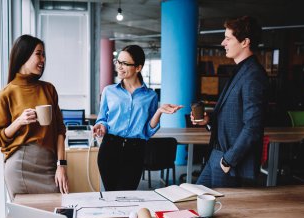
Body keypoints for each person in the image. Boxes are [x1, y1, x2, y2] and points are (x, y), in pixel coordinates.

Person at [191, 16, 268, 187]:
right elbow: (232, 115)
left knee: (221, 212)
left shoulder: (253, 75)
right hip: (217, 154)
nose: (223, 43)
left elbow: (253, 127)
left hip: (229, 162)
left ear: (244, 42)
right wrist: (208, 121)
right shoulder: (241, 70)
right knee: (196, 201)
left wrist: (228, 160)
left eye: (228, 38)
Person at [93, 45, 182, 191]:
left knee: (127, 195)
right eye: (118, 61)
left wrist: (159, 111)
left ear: (138, 68)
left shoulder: (150, 96)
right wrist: (101, 126)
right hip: (109, 148)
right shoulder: (109, 91)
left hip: (135, 151)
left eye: (125, 64)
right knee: (110, 195)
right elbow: (102, 119)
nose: (119, 67)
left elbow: (148, 130)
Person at [0, 34, 69, 199]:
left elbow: (60, 131)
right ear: (24, 55)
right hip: (19, 166)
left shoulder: (48, 89)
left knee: (58, 214)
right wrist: (19, 122)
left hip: (49, 163)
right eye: (38, 53)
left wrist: (61, 165)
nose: (43, 59)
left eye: (44, 54)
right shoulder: (6, 94)